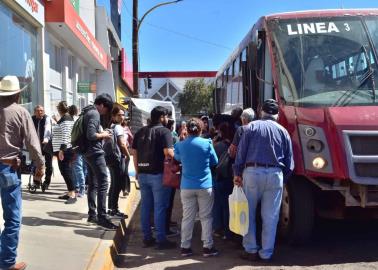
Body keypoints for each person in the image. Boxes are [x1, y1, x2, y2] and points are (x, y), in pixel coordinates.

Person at [233, 99, 294, 262]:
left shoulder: (251, 127)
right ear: (277, 114)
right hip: (275, 174)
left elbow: (241, 153)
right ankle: (266, 253)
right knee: (271, 216)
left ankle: (251, 250)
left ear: (261, 112)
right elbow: (290, 163)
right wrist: (282, 178)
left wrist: (237, 173)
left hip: (252, 172)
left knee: (248, 213)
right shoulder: (283, 131)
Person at [0, 75, 45, 270]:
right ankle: (7, 262)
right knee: (12, 218)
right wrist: (40, 165)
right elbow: (33, 144)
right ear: (17, 94)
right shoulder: (20, 112)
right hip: (8, 168)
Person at [132, 106, 176, 250]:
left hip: (143, 174)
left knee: (146, 206)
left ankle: (147, 238)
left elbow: (135, 153)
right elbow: (168, 153)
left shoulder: (140, 132)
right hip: (158, 175)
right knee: (160, 208)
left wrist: (138, 171)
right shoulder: (164, 132)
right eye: (167, 116)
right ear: (162, 117)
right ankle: (161, 239)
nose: (168, 119)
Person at [174, 118, 219, 258]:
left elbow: (177, 158)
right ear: (201, 129)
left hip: (186, 186)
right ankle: (207, 247)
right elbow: (215, 161)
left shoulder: (180, 145)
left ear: (187, 129)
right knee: (206, 217)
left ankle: (185, 247)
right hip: (205, 185)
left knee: (187, 217)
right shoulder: (207, 143)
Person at [82, 93, 117, 230]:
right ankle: (102, 217)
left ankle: (92, 214)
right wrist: (104, 135)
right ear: (102, 105)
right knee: (103, 182)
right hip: (95, 152)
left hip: (87, 153)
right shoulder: (94, 113)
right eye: (106, 109)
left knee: (93, 183)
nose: (105, 112)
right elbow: (91, 135)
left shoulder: (87, 111)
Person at [212, 122, 234, 240]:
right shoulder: (233, 145)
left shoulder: (216, 146)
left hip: (216, 178)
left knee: (217, 204)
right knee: (227, 206)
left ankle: (217, 228)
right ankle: (228, 231)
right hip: (228, 179)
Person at [51, 101, 76, 204]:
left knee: (66, 171)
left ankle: (72, 194)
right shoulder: (67, 118)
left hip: (65, 150)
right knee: (65, 171)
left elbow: (66, 135)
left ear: (59, 109)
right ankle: (70, 192)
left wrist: (62, 150)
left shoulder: (66, 119)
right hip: (64, 149)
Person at [107, 105, 130, 218]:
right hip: (117, 158)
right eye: (119, 115)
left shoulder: (111, 127)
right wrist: (128, 155)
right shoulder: (118, 128)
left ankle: (111, 208)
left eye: (122, 115)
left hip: (111, 158)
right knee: (117, 184)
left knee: (114, 184)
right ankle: (114, 210)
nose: (122, 117)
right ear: (113, 116)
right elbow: (122, 144)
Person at [32, 105, 53, 190]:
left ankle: (46, 182)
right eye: (38, 111)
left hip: (47, 145)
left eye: (41, 110)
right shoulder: (32, 119)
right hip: (37, 146)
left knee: (49, 165)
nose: (40, 112)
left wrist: (46, 139)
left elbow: (48, 129)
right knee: (36, 164)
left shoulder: (47, 118)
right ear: (35, 112)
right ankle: (36, 182)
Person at [69, 105, 87, 197]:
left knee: (77, 167)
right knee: (80, 167)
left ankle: (80, 188)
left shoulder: (74, 120)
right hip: (80, 146)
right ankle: (80, 187)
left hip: (75, 147)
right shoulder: (79, 119)